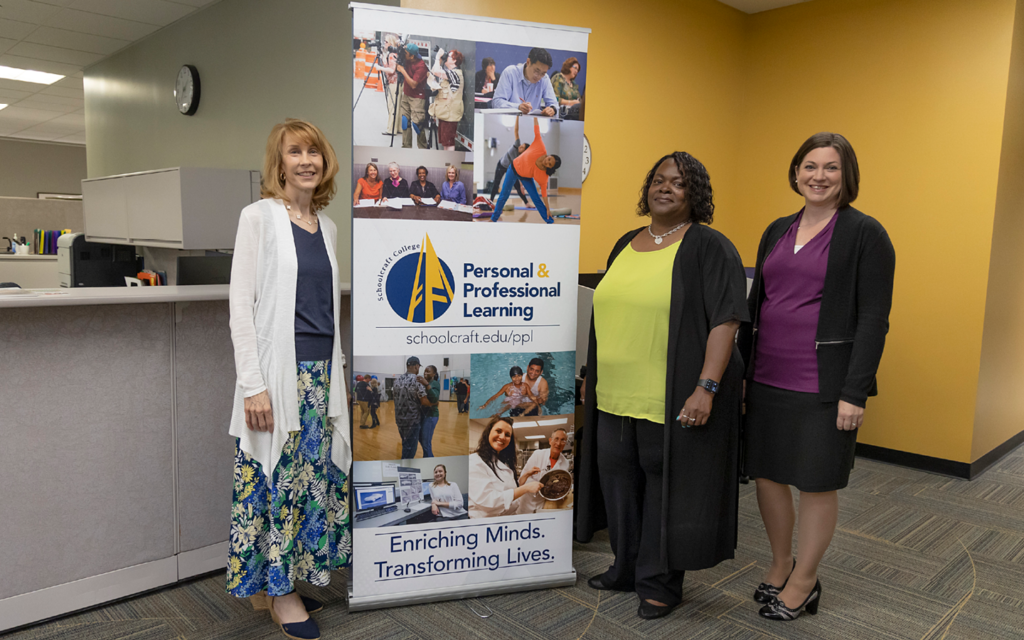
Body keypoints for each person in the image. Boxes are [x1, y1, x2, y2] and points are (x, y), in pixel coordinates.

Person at [575, 152, 749, 621]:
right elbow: (605, 315)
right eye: (658, 180)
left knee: (663, 486)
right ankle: (626, 567)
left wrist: (706, 386)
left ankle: (660, 582)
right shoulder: (625, 243)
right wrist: (591, 376)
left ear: (695, 194)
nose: (665, 188)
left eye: (678, 182)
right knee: (617, 480)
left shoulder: (709, 246)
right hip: (614, 394)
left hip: (671, 396)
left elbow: (726, 320)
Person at [737, 132, 895, 622]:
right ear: (796, 172)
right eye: (810, 166)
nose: (818, 176)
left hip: (823, 384)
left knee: (816, 482)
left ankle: (805, 580)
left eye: (830, 168)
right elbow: (756, 304)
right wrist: (742, 372)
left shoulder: (865, 233)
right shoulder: (777, 230)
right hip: (766, 376)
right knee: (767, 474)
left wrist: (854, 391)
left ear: (846, 176)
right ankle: (782, 561)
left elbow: (873, 318)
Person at [226, 119, 351, 640]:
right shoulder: (258, 217)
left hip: (322, 376)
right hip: (279, 377)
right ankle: (279, 594)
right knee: (275, 480)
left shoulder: (329, 226)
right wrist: (253, 384)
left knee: (309, 483)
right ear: (278, 165)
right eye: (294, 152)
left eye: (313, 152)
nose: (306, 160)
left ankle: (278, 583)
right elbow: (240, 306)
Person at [490, 116, 560, 224]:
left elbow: (544, 194)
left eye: (550, 164)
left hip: (526, 177)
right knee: (504, 194)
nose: (547, 162)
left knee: (536, 198)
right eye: (549, 159)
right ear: (549, 155)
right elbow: (536, 128)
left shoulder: (543, 176)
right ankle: (493, 219)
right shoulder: (540, 146)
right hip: (513, 169)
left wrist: (548, 209)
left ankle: (549, 221)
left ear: (551, 167)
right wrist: (536, 115)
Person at [468, 417, 543, 518]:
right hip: (487, 524)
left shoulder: (502, 462)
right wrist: (526, 488)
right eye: (498, 431)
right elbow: (488, 501)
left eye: (507, 435)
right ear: (488, 432)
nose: (502, 437)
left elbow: (506, 489)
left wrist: (524, 476)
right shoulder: (475, 461)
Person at [517, 428, 571, 513]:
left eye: (563, 440)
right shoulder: (537, 455)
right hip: (527, 501)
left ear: (565, 443)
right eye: (556, 439)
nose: (558, 443)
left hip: (543, 503)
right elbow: (521, 480)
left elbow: (560, 485)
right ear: (550, 441)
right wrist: (534, 484)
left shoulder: (565, 463)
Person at [491, 48, 558, 116]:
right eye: (536, 71)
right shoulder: (510, 73)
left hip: (533, 123)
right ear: (528, 62)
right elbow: (497, 102)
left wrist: (552, 109)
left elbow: (554, 105)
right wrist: (517, 107)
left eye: (543, 73)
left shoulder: (545, 79)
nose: (539, 76)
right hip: (510, 121)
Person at [392, 356, 432, 459]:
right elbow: (424, 401)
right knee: (410, 450)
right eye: (418, 367)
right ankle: (405, 470)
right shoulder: (417, 380)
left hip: (399, 419)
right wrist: (433, 403)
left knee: (406, 444)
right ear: (416, 366)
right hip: (412, 420)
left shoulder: (397, 380)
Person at [488, 115, 531, 207]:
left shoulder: (522, 159)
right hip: (501, 165)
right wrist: (517, 117)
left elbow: (521, 173)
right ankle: (490, 201)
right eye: (521, 145)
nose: (520, 146)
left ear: (524, 151)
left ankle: (526, 203)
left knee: (517, 186)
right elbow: (516, 131)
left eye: (522, 147)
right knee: (496, 183)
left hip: (511, 169)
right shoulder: (517, 145)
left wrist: (522, 185)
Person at [428, 47, 465, 151]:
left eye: (448, 56)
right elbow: (434, 71)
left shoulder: (455, 73)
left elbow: (436, 71)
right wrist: (439, 60)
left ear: (454, 60)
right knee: (445, 142)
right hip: (446, 114)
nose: (445, 57)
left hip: (450, 115)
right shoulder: (450, 73)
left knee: (448, 143)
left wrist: (437, 57)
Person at [396, 42, 429, 149]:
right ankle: (406, 147)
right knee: (405, 122)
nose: (404, 54)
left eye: (405, 53)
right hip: (406, 95)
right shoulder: (406, 59)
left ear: (412, 55)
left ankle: (423, 148)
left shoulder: (421, 66)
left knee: (417, 125)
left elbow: (414, 84)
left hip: (417, 98)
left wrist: (403, 71)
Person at [379, 34, 402, 137]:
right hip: (398, 83)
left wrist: (380, 68)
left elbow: (392, 70)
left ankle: (391, 130)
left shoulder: (392, 55)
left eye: (386, 42)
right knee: (397, 106)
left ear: (391, 43)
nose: (385, 43)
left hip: (394, 82)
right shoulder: (394, 54)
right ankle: (398, 128)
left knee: (392, 106)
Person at [419, 364, 441, 457]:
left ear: (433, 374)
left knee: (426, 442)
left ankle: (429, 460)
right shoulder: (423, 384)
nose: (425, 373)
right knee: (422, 439)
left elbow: (435, 398)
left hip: (431, 415)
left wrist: (427, 385)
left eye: (428, 371)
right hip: (423, 415)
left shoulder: (434, 383)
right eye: (425, 371)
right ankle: (428, 457)